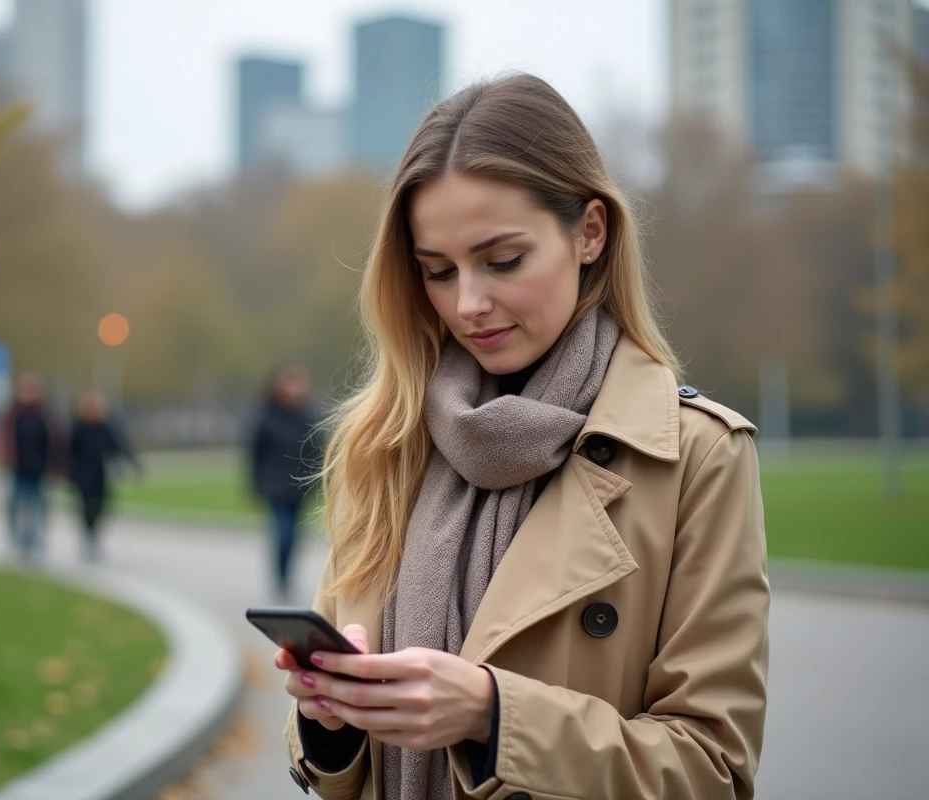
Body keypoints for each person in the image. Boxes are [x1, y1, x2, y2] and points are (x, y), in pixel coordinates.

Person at [277, 74, 768, 800]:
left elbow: (713, 769)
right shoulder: (386, 442)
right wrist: (332, 719)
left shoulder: (697, 457)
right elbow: (336, 771)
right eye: (438, 271)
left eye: (502, 261)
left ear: (590, 232)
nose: (468, 304)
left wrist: (493, 717)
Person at [249, 363, 319, 603]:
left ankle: (287, 577)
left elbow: (316, 451)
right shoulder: (266, 417)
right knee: (283, 535)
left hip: (299, 488)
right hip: (275, 487)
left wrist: (317, 480)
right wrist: (255, 488)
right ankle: (280, 579)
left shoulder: (307, 417)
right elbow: (256, 455)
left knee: (295, 537)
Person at [68, 389, 142, 563]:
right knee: (86, 508)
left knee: (101, 507)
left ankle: (94, 536)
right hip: (83, 474)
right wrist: (69, 474)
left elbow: (119, 447)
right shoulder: (79, 428)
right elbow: (70, 452)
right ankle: (88, 538)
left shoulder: (105, 428)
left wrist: (133, 465)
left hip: (100, 474)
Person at [1, 372, 59, 563]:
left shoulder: (44, 415)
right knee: (14, 507)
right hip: (17, 469)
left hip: (39, 470)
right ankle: (17, 542)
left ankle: (36, 543)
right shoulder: (13, 414)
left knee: (38, 508)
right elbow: (4, 439)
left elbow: (54, 441)